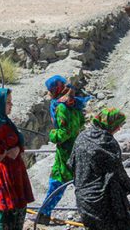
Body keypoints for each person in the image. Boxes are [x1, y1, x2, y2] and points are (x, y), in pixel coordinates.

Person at [69, 107, 130, 230]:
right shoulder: (108, 142)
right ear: (110, 123)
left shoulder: (81, 137)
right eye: (118, 125)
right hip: (104, 203)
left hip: (84, 201)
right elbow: (118, 172)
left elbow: (71, 164)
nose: (119, 128)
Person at [35, 75, 87, 225]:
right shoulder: (74, 103)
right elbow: (81, 123)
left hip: (66, 151)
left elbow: (64, 133)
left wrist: (52, 135)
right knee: (81, 182)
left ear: (55, 89)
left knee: (57, 181)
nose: (49, 93)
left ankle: (43, 215)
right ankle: (91, 212)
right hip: (77, 147)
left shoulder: (61, 106)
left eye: (50, 90)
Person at [0, 88, 34, 230]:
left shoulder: (4, 120)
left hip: (15, 168)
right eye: (8, 103)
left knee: (19, 207)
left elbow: (17, 140)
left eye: (11, 102)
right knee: (8, 210)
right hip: (5, 171)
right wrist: (2, 152)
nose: (11, 106)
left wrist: (17, 149)